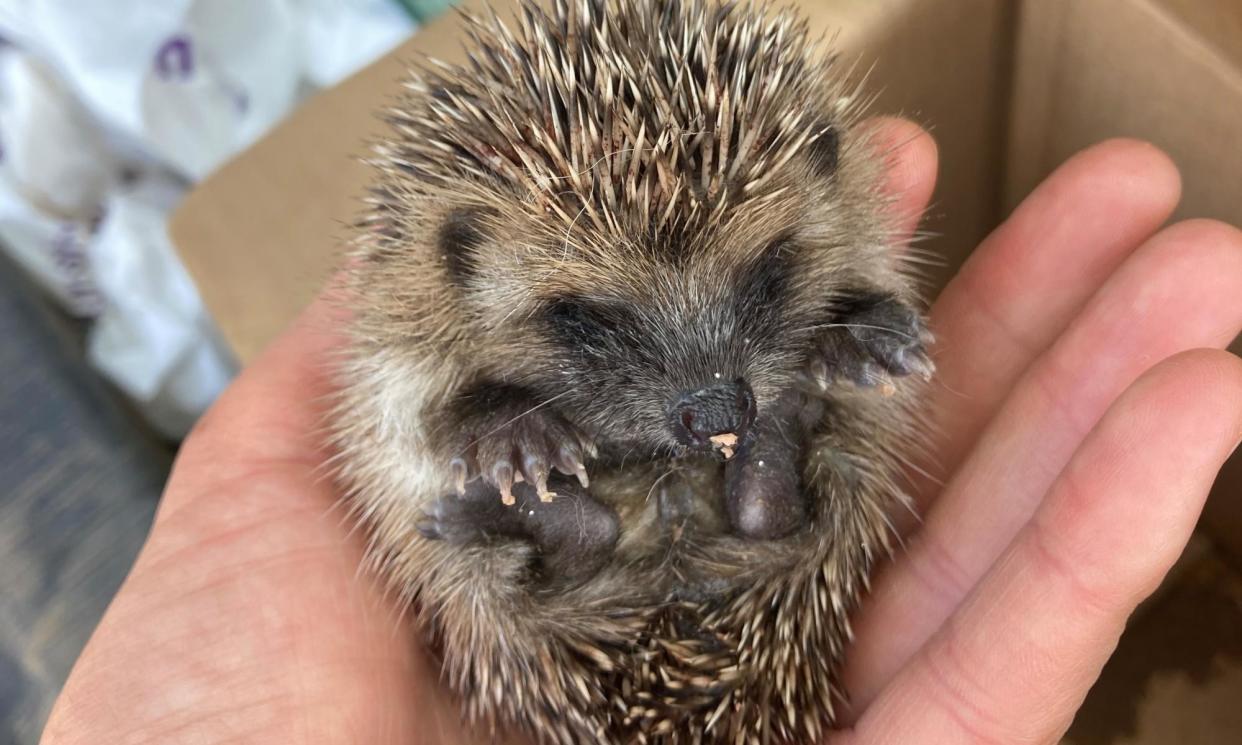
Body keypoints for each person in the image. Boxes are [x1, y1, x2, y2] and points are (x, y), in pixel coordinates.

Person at [39, 121, 1242, 745]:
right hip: (586, 588)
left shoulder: (816, 196)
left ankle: (662, 487)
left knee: (794, 452)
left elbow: (850, 281)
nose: (701, 390)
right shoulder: (431, 282)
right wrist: (491, 418)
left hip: (710, 552)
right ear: (462, 267)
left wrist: (843, 317)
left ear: (820, 183)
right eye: (588, 319)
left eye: (767, 272)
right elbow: (403, 417)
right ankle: (607, 502)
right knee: (506, 493)